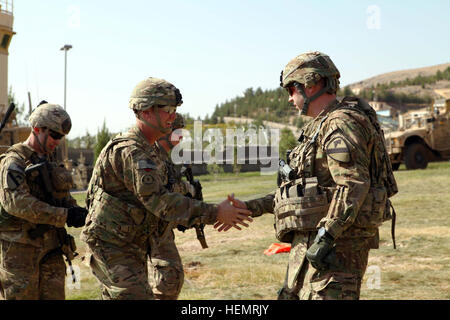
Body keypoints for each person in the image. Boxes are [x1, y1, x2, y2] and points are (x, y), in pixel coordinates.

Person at [220, 51, 398, 300]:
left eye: (291, 89)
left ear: (312, 84)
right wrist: (250, 207)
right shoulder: (318, 127)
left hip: (335, 253)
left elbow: (353, 184)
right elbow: (302, 192)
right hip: (310, 248)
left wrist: (327, 236)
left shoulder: (340, 124)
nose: (290, 99)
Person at [81, 77, 252, 300]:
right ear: (145, 111)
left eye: (175, 109)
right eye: (167, 109)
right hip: (112, 245)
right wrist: (215, 212)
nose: (173, 115)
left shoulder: (149, 150)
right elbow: (160, 202)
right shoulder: (132, 151)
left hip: (130, 241)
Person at [0, 102, 87, 300]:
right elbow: (16, 203)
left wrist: (75, 210)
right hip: (21, 253)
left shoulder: (50, 162)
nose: (57, 141)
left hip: (52, 250)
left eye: (61, 137)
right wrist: (64, 215)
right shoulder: (14, 161)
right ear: (37, 129)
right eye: (55, 135)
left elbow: (61, 196)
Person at [148, 113, 193, 300]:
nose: (181, 136)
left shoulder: (168, 157)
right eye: (177, 131)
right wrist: (185, 188)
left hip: (162, 230)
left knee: (170, 281)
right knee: (165, 282)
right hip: (149, 232)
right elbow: (158, 194)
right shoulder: (152, 156)